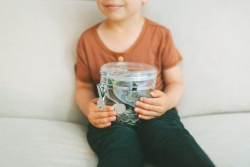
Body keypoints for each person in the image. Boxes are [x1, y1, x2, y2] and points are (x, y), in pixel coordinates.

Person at [75, 0, 215, 166]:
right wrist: (89, 109)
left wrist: (166, 102)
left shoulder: (160, 35)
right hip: (109, 115)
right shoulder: (87, 39)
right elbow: (83, 86)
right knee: (118, 148)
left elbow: (175, 82)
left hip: (156, 113)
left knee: (174, 142)